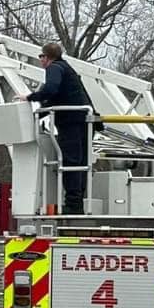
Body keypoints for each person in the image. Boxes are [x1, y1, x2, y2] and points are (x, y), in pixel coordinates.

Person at [23, 42, 96, 214]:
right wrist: (40, 113)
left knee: (71, 162)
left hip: (70, 122)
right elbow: (59, 96)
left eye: (41, 56)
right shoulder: (67, 69)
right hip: (85, 120)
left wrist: (30, 97)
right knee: (81, 163)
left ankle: (73, 205)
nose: (40, 60)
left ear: (46, 57)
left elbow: (51, 90)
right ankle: (77, 203)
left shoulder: (54, 68)